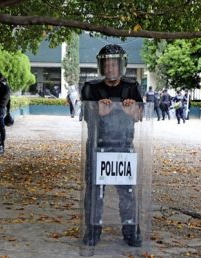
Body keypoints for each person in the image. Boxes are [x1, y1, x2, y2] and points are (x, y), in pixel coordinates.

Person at [80, 44, 143, 247]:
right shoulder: (91, 87)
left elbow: (141, 115)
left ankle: (130, 229)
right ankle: (93, 229)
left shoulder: (132, 87)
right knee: (95, 192)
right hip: (98, 147)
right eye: (107, 64)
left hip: (124, 146)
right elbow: (85, 116)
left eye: (114, 64)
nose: (110, 68)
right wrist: (96, 111)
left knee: (128, 192)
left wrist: (133, 110)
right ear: (101, 66)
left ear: (121, 65)